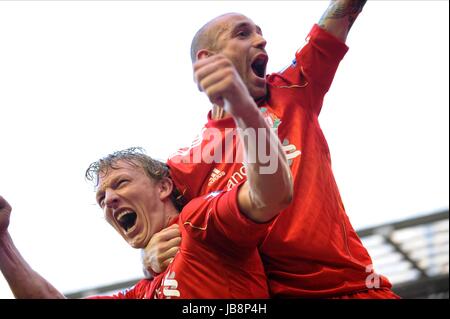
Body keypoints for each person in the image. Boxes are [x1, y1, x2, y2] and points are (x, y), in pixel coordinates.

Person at [142, 1, 400, 298]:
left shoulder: (292, 90)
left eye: (259, 33)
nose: (260, 40)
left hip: (355, 287)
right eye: (242, 34)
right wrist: (148, 258)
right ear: (207, 59)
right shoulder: (183, 166)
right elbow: (169, 231)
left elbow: (336, 21)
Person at [0, 59, 293, 298]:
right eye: (101, 199)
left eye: (121, 183)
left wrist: (243, 110)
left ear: (164, 186)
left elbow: (271, 194)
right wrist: (3, 242)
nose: (110, 200)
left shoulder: (200, 221)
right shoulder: (141, 293)